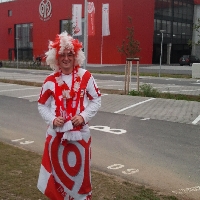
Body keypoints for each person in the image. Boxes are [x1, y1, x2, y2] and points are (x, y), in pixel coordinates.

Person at [37, 31, 101, 200]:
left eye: (70, 54)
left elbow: (96, 100)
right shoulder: (49, 80)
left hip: (80, 135)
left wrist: (83, 116)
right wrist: (52, 119)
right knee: (58, 177)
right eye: (62, 55)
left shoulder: (86, 76)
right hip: (56, 135)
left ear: (76, 56)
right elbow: (42, 105)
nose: (66, 58)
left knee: (81, 176)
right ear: (56, 57)